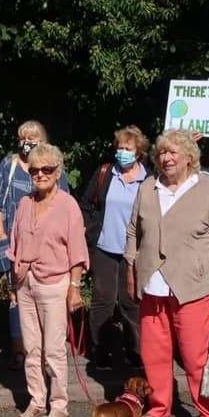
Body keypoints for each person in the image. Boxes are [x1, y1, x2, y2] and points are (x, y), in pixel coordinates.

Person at [124, 130, 209, 417]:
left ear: (189, 157)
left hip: (194, 285)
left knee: (196, 357)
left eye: (173, 153)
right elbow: (134, 233)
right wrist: (132, 273)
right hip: (153, 286)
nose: (166, 158)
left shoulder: (207, 189)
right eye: (162, 153)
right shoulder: (148, 187)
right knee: (153, 354)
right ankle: (160, 409)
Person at [7, 143, 88, 417]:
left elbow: (77, 250)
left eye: (47, 170)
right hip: (25, 282)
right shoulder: (24, 203)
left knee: (54, 349)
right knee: (31, 348)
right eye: (34, 170)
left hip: (55, 282)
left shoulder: (68, 205)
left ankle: (59, 406)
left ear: (57, 172)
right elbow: (15, 245)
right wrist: (14, 286)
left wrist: (75, 287)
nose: (40, 174)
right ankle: (36, 401)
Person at [0, 120, 69, 370]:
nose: (27, 141)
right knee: (16, 295)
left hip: (47, 246)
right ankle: (20, 349)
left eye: (33, 137)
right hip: (14, 241)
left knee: (46, 297)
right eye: (23, 136)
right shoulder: (9, 164)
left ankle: (47, 349)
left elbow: (65, 205)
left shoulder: (54, 169)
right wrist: (1, 235)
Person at [80, 125, 149, 370]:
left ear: (138, 152)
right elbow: (87, 204)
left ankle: (135, 352)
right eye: (119, 148)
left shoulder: (148, 179)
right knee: (103, 301)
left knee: (132, 302)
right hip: (105, 247)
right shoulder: (105, 173)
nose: (122, 152)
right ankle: (101, 352)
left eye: (127, 148)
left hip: (134, 251)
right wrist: (89, 231)